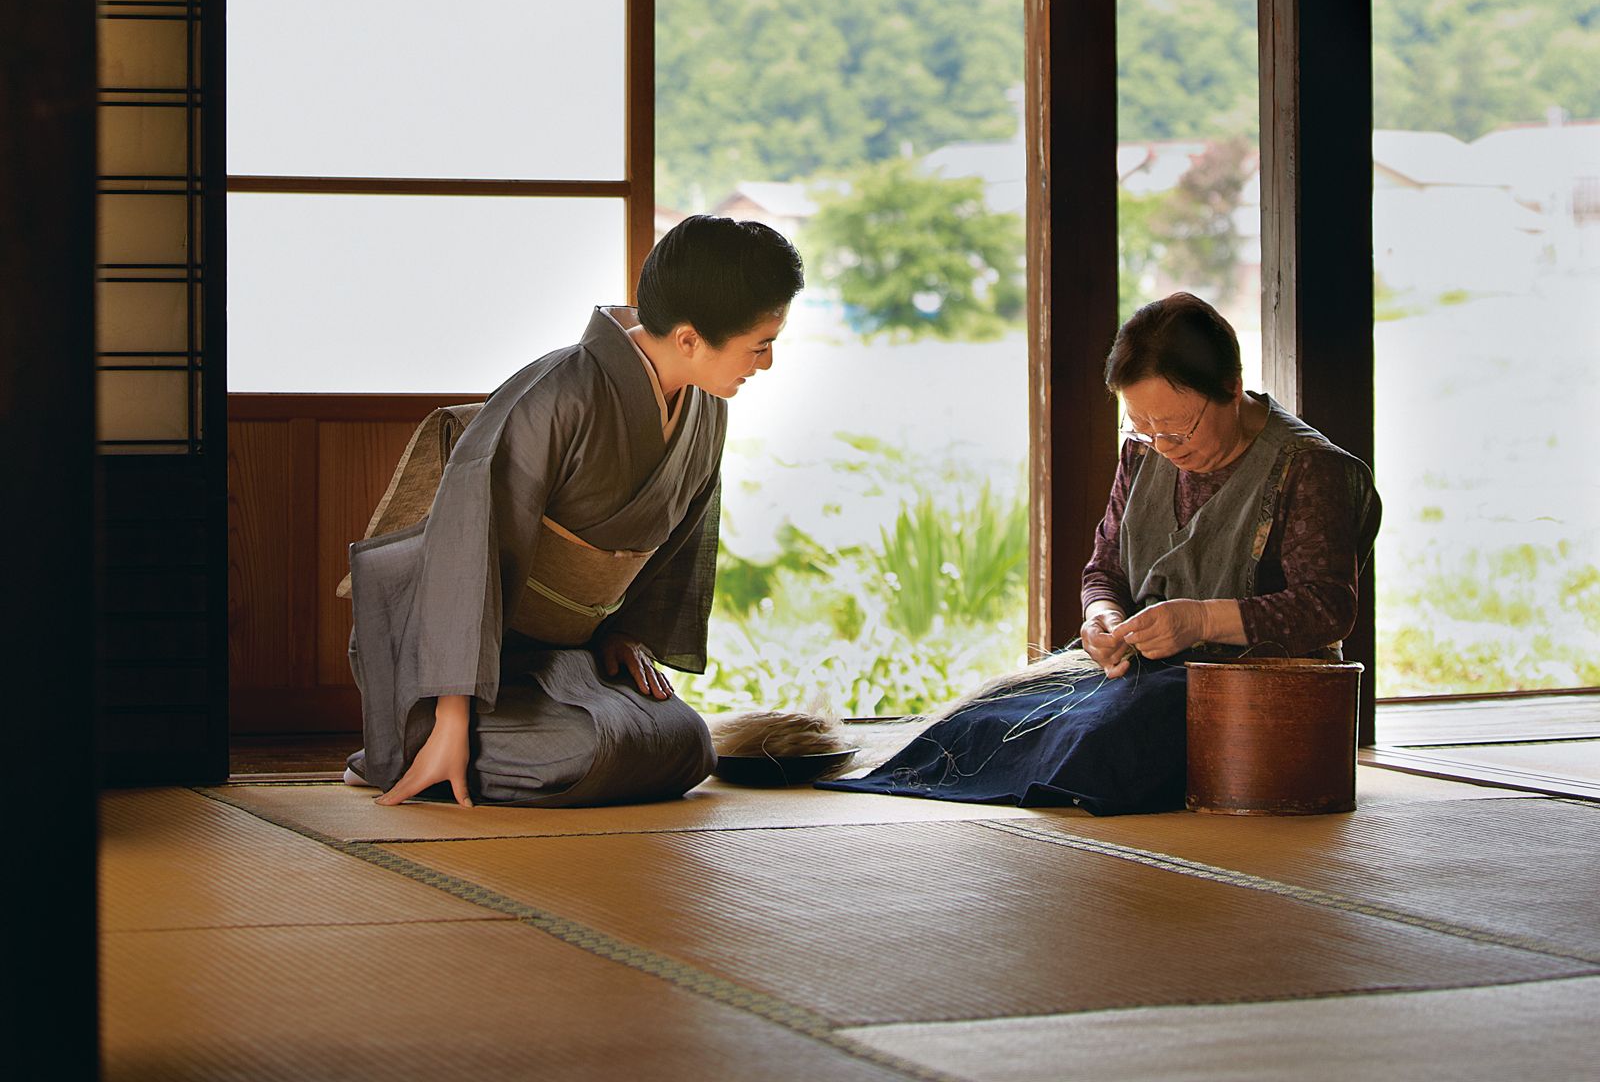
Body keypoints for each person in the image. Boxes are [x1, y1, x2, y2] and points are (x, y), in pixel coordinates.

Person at [829, 290, 1379, 815]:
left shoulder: (1310, 468)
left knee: (1099, 742)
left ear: (1232, 388)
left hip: (1249, 692)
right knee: (980, 723)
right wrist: (1102, 619)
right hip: (1145, 673)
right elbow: (1104, 567)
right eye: (1143, 426)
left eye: (1178, 429)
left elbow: (1326, 607)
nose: (1163, 445)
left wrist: (1199, 620)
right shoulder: (1143, 453)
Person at [347, 214, 803, 809]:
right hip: (451, 655)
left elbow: (677, 541)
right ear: (690, 339)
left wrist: (625, 633)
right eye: (760, 345)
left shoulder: (706, 406)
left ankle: (498, 738)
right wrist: (450, 715)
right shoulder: (556, 396)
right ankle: (417, 743)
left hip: (564, 659)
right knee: (586, 752)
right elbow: (463, 554)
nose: (765, 363)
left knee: (689, 744)